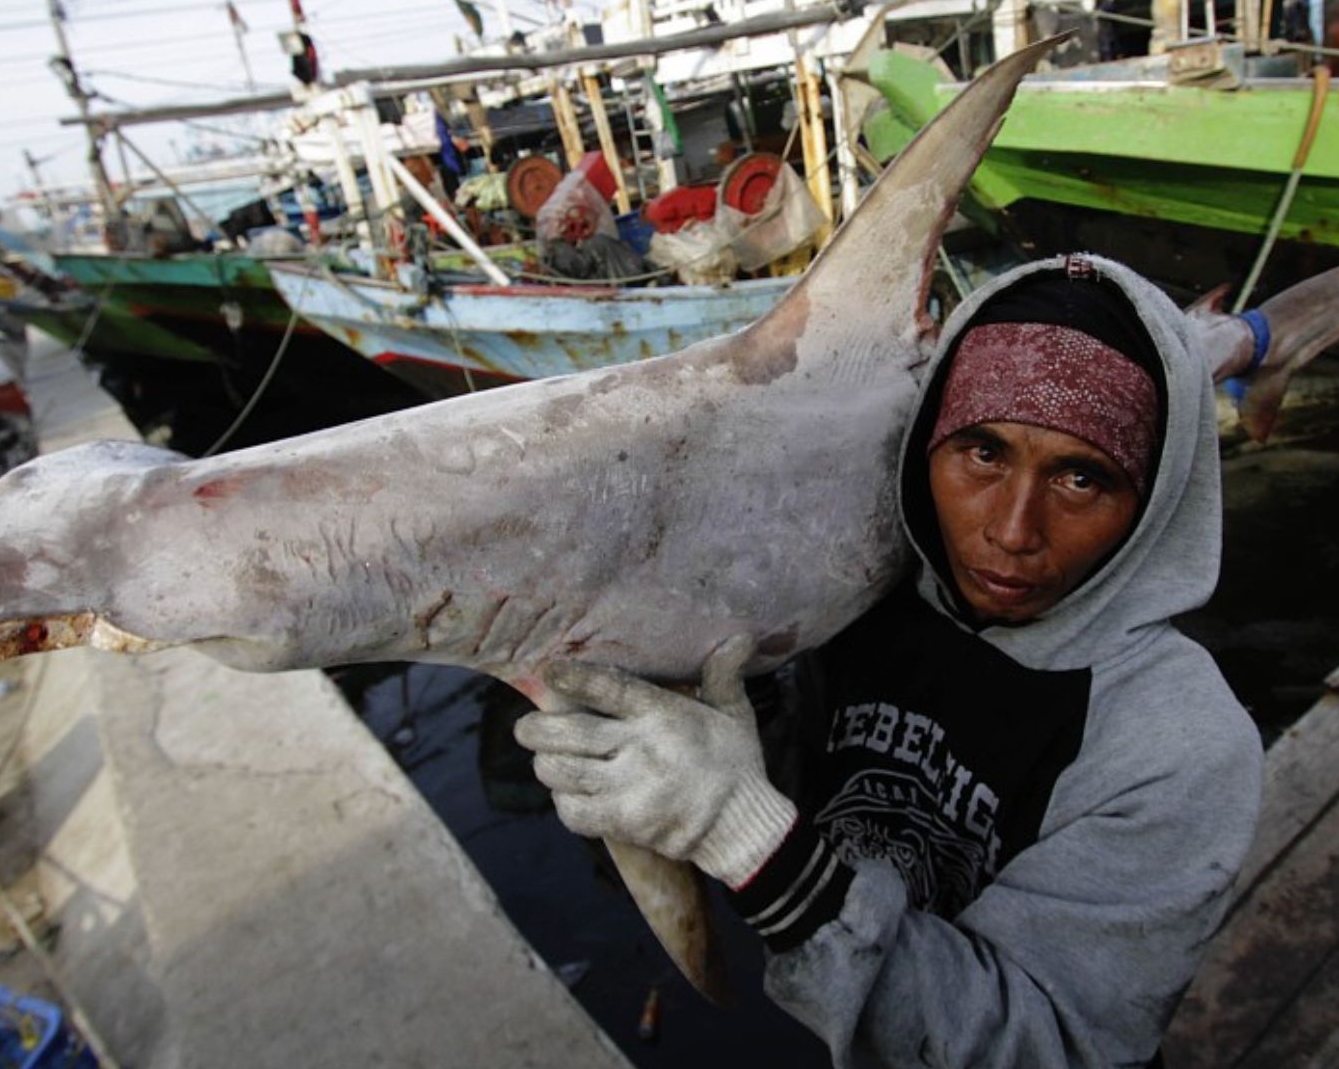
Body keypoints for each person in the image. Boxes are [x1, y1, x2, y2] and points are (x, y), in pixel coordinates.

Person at [514, 255, 1264, 1068]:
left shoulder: (1180, 747)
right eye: (981, 453)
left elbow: (1051, 1044)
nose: (1013, 531)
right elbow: (808, 783)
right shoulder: (864, 600)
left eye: (1082, 477)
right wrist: (691, 746)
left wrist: (748, 837)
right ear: (926, 445)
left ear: (1153, 499)